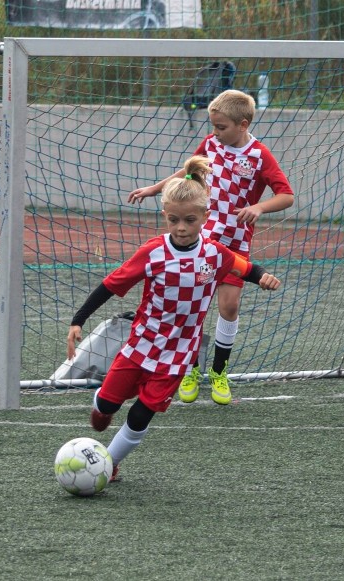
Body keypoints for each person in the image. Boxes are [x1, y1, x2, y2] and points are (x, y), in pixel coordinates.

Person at [67, 155, 281, 481]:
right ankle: (102, 405)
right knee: (104, 412)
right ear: (165, 216)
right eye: (173, 220)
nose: (181, 228)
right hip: (140, 345)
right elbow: (111, 285)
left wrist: (264, 277)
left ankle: (106, 466)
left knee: (141, 415)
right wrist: (78, 319)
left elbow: (247, 269)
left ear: (205, 217)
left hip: (177, 356)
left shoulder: (215, 254)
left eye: (190, 220)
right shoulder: (152, 252)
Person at [128, 89, 294, 405]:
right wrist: (156, 188)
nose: (215, 133)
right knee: (192, 306)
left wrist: (258, 208)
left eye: (221, 127)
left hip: (234, 245)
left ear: (242, 124)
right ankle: (188, 369)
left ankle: (219, 372)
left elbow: (286, 195)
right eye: (214, 126)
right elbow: (189, 172)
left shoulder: (260, 156)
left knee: (228, 306)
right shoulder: (210, 144)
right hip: (200, 243)